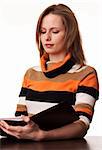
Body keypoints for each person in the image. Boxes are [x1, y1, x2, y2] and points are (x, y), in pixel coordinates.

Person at [0, 4, 99, 141]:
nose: (47, 37)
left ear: (70, 34)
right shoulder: (31, 73)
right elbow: (21, 118)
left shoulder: (86, 74)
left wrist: (42, 135)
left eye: (55, 31)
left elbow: (82, 125)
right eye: (42, 31)